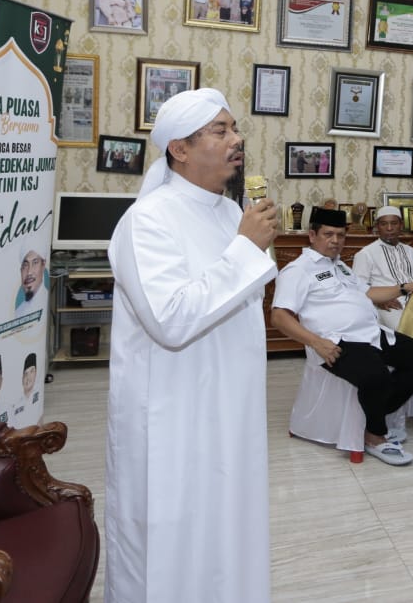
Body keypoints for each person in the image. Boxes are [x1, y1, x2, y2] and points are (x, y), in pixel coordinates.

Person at [104, 87, 280, 602]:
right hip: (172, 415)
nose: (237, 139)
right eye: (220, 130)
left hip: (231, 407)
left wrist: (246, 242)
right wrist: (247, 248)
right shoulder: (148, 220)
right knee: (170, 537)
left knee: (227, 524)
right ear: (179, 149)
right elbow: (171, 322)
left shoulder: (230, 214)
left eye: (235, 128)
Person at [271, 207, 413, 465]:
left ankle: (376, 411)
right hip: (334, 341)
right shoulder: (297, 270)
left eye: (341, 235)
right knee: (376, 376)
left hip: (372, 334)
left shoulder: (342, 267)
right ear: (312, 235)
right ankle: (375, 435)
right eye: (328, 234)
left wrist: (404, 287)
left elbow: (369, 293)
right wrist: (316, 343)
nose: (335, 241)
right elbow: (279, 316)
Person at [352, 205, 413, 331]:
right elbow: (357, 289)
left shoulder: (410, 251)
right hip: (388, 305)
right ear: (377, 227)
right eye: (384, 224)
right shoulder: (366, 254)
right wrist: (378, 301)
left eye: (394, 223)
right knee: (405, 330)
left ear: (401, 225)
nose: (389, 228)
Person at [15, 243, 49, 324]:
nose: (29, 272)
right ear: (20, 270)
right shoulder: (18, 312)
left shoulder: (45, 304)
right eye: (25, 265)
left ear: (43, 265)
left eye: (35, 262)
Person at [9, 352, 42, 428]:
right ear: (22, 378)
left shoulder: (38, 394)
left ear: (36, 373)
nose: (28, 377)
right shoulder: (16, 404)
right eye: (25, 374)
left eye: (31, 371)